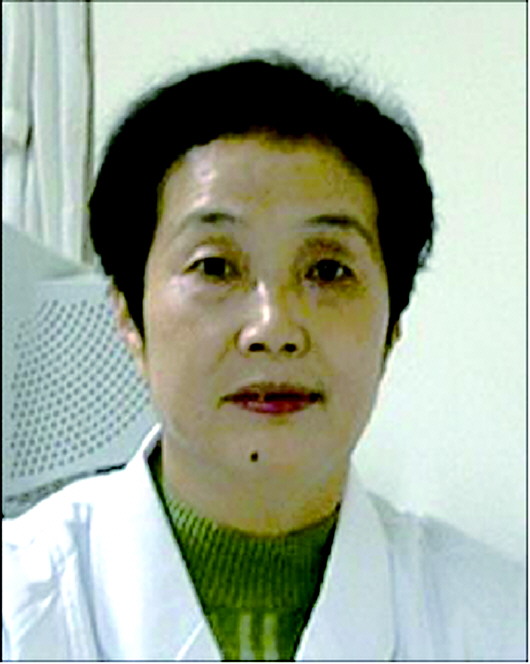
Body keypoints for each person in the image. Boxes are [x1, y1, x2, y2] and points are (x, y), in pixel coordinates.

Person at [3, 53, 525, 661]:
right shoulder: (18, 607)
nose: (273, 327)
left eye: (327, 270)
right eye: (215, 266)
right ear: (128, 316)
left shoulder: (503, 622)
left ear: (393, 325)